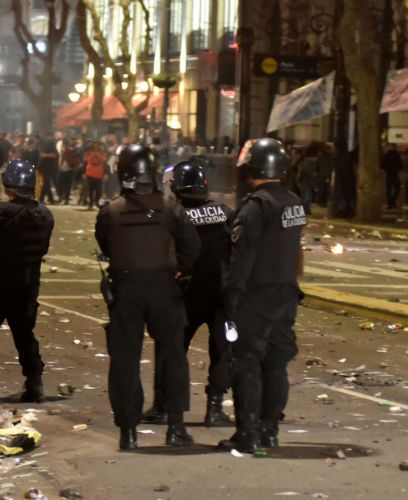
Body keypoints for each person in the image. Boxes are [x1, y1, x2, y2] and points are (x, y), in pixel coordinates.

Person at [95, 143, 201, 450]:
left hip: (126, 288)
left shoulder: (110, 211)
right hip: (165, 287)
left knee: (125, 361)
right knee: (172, 357)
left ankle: (128, 432)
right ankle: (176, 427)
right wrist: (181, 270)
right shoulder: (171, 207)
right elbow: (191, 247)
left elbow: (105, 245)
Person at [218, 138, 306, 453]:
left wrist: (231, 296)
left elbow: (242, 259)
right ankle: (271, 431)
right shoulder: (295, 202)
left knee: (246, 364)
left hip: (255, 297)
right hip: (285, 293)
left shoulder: (256, 206)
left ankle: (248, 432)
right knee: (276, 364)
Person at [143, 160, 235, 427]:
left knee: (171, 350)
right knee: (223, 351)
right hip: (221, 293)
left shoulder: (170, 214)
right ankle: (215, 409)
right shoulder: (225, 212)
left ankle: (163, 407)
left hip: (183, 294)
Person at [0, 160, 54, 403]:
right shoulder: (45, 215)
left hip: (2, 281)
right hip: (29, 282)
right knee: (24, 334)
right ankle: (34, 382)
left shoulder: (4, 212)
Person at [84, 141, 107, 209]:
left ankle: (96, 202)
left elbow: (105, 164)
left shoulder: (102, 153)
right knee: (90, 190)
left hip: (99, 174)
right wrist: (83, 172)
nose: (96, 146)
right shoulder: (88, 153)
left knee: (99, 191)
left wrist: (105, 173)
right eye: (94, 145)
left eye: (97, 145)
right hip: (89, 173)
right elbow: (85, 163)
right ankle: (90, 203)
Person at [37, 132, 58, 205]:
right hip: (47, 168)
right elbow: (43, 156)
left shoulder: (47, 147)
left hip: (47, 168)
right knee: (46, 183)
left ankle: (42, 198)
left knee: (46, 183)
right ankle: (49, 199)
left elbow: (54, 155)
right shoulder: (49, 146)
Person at [381, 144, 403, 209]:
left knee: (390, 189)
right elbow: (400, 166)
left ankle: (391, 202)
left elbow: (382, 165)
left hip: (390, 174)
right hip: (393, 174)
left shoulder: (387, 156)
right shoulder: (395, 155)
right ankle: (392, 202)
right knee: (396, 188)